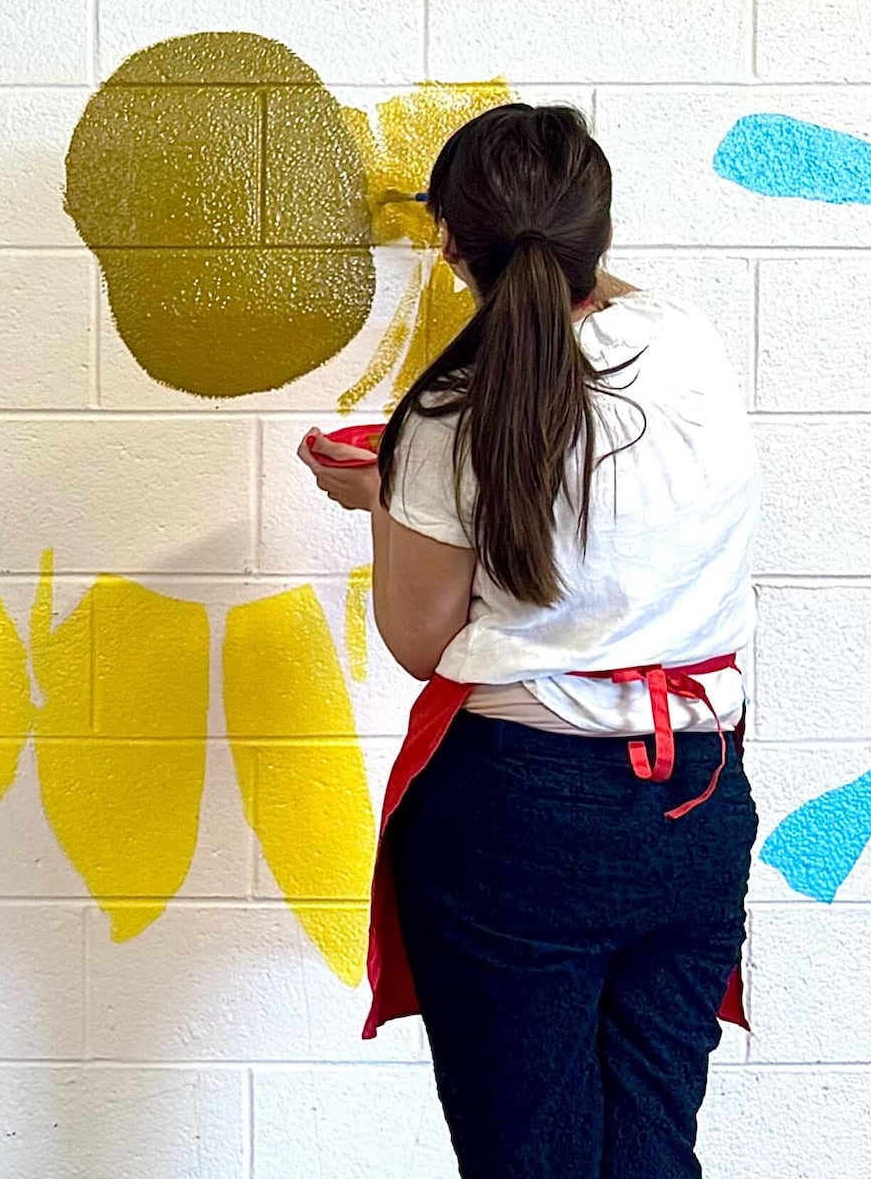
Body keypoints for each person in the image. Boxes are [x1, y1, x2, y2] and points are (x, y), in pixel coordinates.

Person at [297, 102, 756, 1179]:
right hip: (694, 797)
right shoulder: (685, 341)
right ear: (600, 230)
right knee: (651, 1150)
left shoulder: (449, 414)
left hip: (517, 811)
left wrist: (381, 501)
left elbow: (421, 637)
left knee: (529, 1160)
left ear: (451, 245)